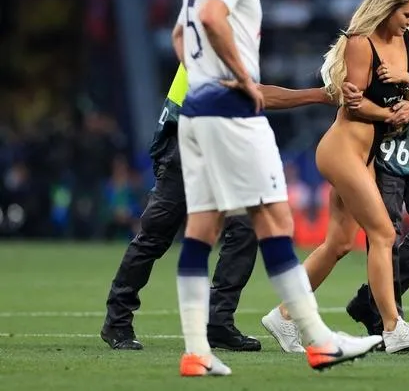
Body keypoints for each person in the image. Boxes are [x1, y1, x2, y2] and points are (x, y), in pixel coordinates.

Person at [172, 0, 382, 377]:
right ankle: (319, 341)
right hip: (232, 114)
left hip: (197, 113)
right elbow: (209, 16)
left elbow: (179, 34)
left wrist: (201, 75)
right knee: (276, 218)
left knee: (202, 227)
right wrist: (244, 79)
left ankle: (196, 352)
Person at [262, 0, 409, 354]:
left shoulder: (408, 42)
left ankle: (284, 315)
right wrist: (391, 113)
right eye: (406, 15)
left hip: (368, 153)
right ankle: (392, 327)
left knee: (339, 243)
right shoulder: (360, 42)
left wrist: (407, 83)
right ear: (388, 7)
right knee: (383, 234)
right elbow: (354, 105)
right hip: (343, 149)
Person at [101, 64, 332, 352]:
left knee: (247, 227)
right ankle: (117, 320)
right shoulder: (214, 32)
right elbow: (252, 95)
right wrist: (321, 95)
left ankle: (218, 322)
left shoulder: (233, 32)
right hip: (187, 141)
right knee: (155, 236)